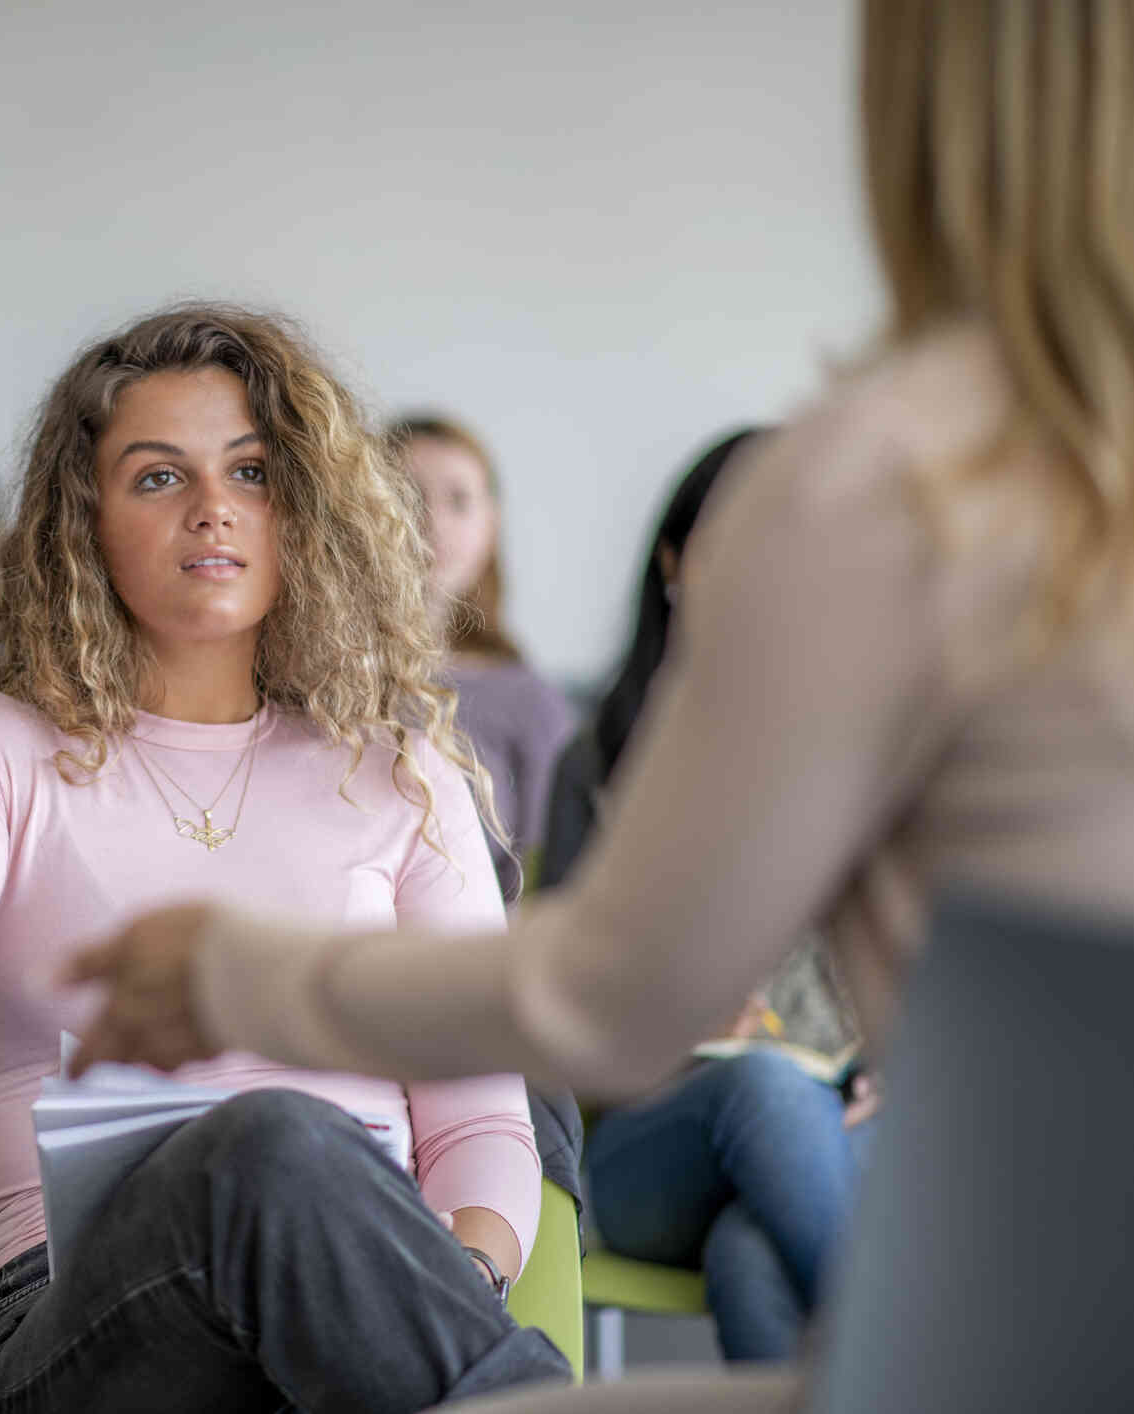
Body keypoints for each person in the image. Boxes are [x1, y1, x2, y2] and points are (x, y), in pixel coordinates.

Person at [70, 2, 1134, 1406]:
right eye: (159, 475)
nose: (213, 510)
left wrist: (228, 971)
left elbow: (604, 1000)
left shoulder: (896, 482)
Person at [0, 306, 569, 1413]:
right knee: (273, 1141)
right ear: (84, 518)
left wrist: (424, 1286)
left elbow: (480, 1122)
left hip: (347, 1334)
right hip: (71, 1331)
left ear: (308, 508)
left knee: (295, 1176)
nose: (212, 510)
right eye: (156, 478)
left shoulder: (403, 769)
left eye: (251, 471)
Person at [542, 429, 874, 1362]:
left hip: (851, 1117)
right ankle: (956, 1374)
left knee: (751, 1259)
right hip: (657, 1141)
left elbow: (942, 962)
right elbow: (559, 1004)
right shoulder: (598, 762)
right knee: (765, 1085)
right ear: (673, 562)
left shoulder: (871, 756)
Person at [392, 415, 574, 900]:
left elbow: (548, 884)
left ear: (491, 524)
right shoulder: (310, 681)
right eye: (407, 498)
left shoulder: (531, 703)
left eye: (459, 501)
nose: (431, 522)